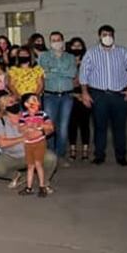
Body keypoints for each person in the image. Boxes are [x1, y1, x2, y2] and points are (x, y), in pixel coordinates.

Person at [79, 24, 127, 166]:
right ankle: (99, 155)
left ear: (113, 36)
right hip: (99, 95)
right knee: (100, 127)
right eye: (104, 35)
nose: (107, 37)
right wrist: (84, 92)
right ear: (99, 36)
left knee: (120, 127)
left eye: (110, 35)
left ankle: (121, 156)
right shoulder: (91, 53)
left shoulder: (123, 52)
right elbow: (83, 73)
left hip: (119, 95)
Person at [0, 94, 58, 188]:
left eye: (16, 101)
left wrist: (41, 132)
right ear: (4, 107)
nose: (15, 104)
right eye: (11, 102)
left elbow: (51, 128)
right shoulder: (0, 122)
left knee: (51, 158)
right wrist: (24, 138)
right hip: (12, 157)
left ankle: (44, 183)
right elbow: (2, 143)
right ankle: (18, 176)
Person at [38, 31, 78, 160]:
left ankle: (60, 154)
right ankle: (50, 155)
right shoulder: (43, 57)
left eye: (58, 39)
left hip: (67, 96)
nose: (56, 42)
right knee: (50, 125)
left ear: (63, 40)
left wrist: (53, 70)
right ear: (50, 43)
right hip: (50, 95)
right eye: (53, 40)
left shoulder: (70, 57)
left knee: (63, 127)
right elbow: (44, 74)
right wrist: (61, 71)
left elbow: (72, 73)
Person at [17, 93, 54, 197]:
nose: (37, 103)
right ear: (26, 104)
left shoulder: (42, 114)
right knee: (30, 166)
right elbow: (20, 128)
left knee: (38, 164)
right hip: (28, 144)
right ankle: (29, 187)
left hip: (39, 142)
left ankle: (42, 186)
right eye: (33, 100)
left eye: (38, 100)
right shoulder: (23, 115)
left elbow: (50, 126)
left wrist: (40, 125)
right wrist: (27, 127)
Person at [65, 38, 90, 161]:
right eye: (74, 46)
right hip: (70, 95)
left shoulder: (87, 61)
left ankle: (85, 150)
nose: (76, 48)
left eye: (79, 45)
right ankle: (72, 149)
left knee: (85, 123)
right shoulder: (66, 61)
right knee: (72, 124)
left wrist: (84, 94)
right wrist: (75, 95)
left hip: (86, 95)